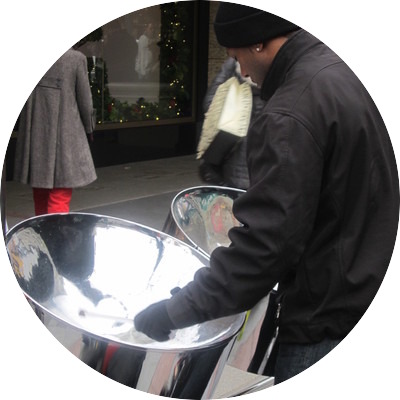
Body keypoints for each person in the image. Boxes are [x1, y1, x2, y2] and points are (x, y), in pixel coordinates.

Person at [134, 2, 399, 384]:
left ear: (258, 43)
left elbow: (264, 249)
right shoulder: (343, 73)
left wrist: (174, 312)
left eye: (237, 56)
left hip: (325, 324)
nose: (241, 71)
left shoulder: (289, 114)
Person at [13, 45, 97, 216]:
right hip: (65, 132)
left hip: (35, 131)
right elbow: (85, 102)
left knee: (40, 189)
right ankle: (55, 232)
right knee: (60, 194)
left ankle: (42, 230)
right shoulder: (75, 59)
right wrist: (90, 127)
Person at [198, 57, 264, 190]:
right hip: (264, 174)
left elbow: (210, 103)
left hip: (231, 165)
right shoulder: (281, 80)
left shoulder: (234, 63)